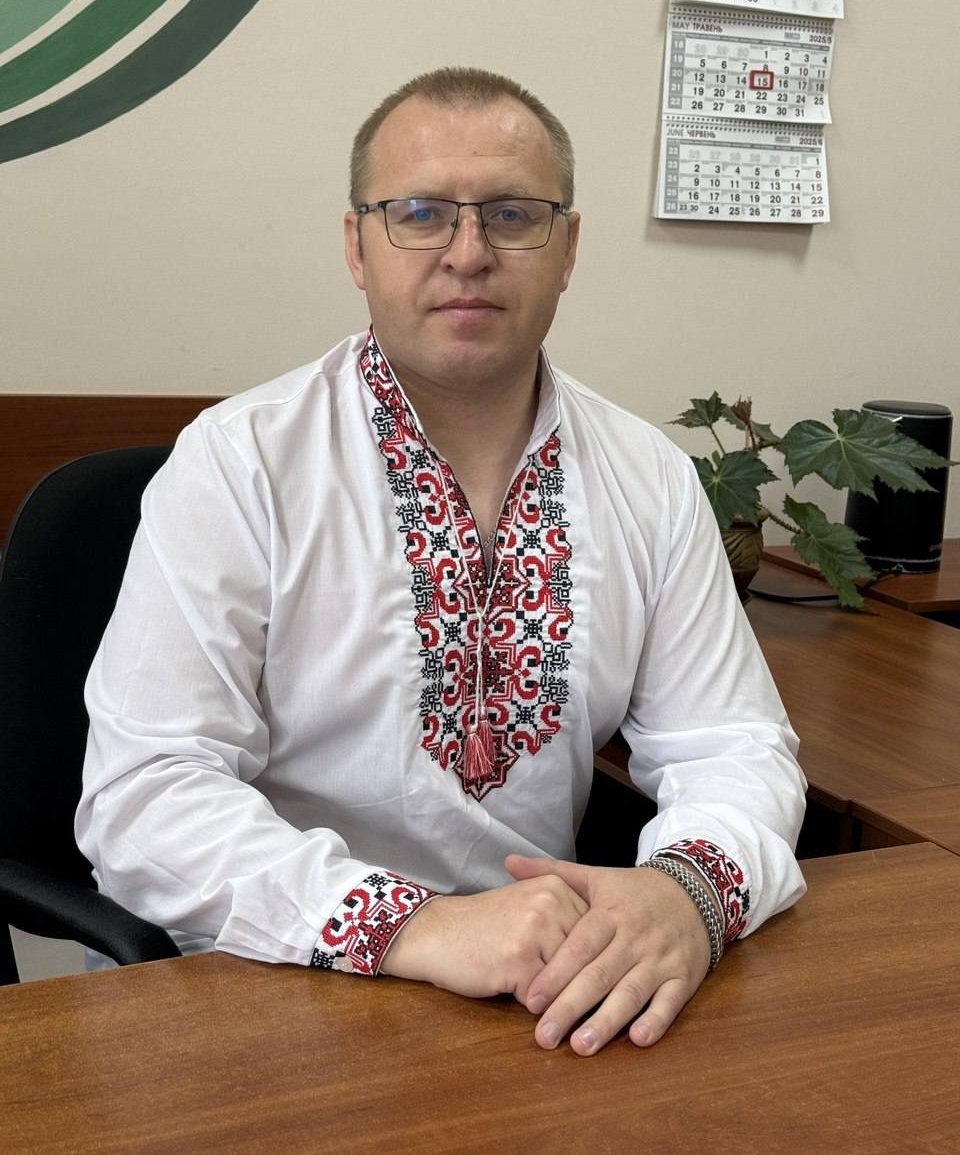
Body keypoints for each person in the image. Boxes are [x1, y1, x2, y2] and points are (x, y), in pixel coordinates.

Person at [77, 66, 806, 1057]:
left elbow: (732, 744)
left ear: (568, 248)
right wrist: (413, 926)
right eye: (419, 213)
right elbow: (145, 795)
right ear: (357, 245)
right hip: (254, 995)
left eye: (512, 214)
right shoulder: (240, 463)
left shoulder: (651, 479)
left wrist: (686, 891)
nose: (469, 253)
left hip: (536, 1007)